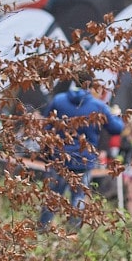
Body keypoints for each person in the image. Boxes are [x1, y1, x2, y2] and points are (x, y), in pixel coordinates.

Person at [39, 70, 124, 230]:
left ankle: (42, 230)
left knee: (52, 198)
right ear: (91, 85)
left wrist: (46, 152)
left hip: (59, 158)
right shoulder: (98, 106)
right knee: (78, 199)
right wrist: (117, 115)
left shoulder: (59, 100)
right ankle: (72, 236)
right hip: (83, 161)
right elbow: (116, 129)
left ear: (73, 81)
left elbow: (45, 127)